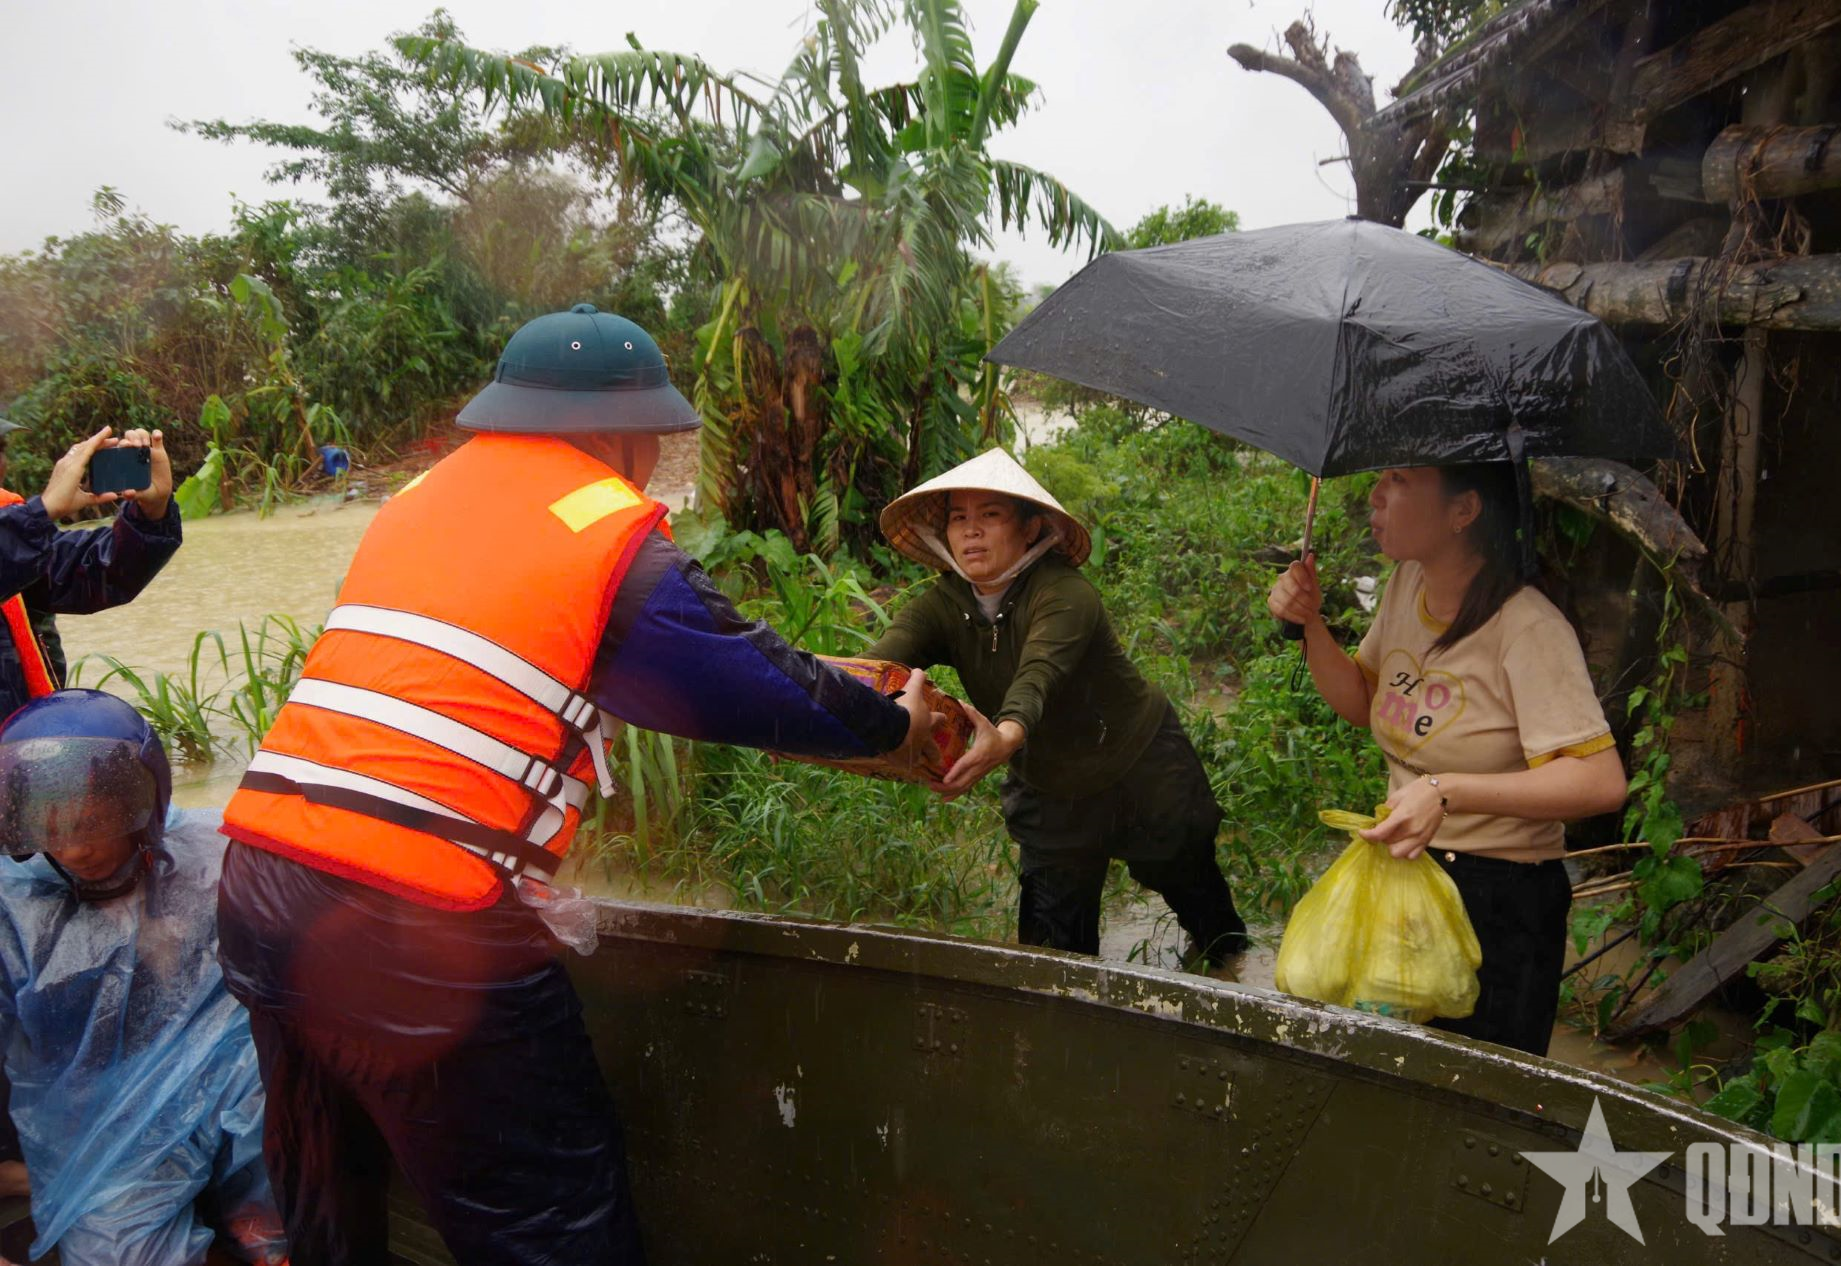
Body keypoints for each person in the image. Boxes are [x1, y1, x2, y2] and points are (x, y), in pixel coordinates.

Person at [214, 304, 943, 1265]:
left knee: (326, 1181)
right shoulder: (604, 531)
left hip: (260, 883)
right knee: (548, 1217)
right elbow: (745, 683)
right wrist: (897, 725)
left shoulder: (420, 503)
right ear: (615, 433)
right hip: (411, 927)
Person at [1267, 462, 1628, 1057]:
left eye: (1401, 480)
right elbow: (1363, 698)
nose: (1377, 494)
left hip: (1502, 900)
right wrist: (1309, 627)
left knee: (1482, 1097)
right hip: (1411, 876)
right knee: (1400, 1079)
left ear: (1464, 512)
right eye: (1381, 477)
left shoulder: (1528, 627)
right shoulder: (1409, 583)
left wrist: (1445, 790)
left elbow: (1600, 781)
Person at [866, 448, 1248, 964]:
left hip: (1141, 767)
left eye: (990, 516)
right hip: (1049, 783)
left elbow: (1037, 675)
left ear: (1030, 530)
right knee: (1052, 961)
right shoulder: (942, 604)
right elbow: (874, 666)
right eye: (959, 518)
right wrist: (811, 718)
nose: (971, 531)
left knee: (1210, 924)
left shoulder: (1066, 593)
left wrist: (1004, 736)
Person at [0, 690, 286, 1266]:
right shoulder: (14, 903)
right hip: (106, 1123)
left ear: (144, 803)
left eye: (92, 823)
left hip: (237, 1085)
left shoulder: (215, 855)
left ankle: (258, 1220)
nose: (76, 849)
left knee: (280, 1150)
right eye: (51, 828)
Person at [0, 414, 181, 715]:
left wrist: (151, 512)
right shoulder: (23, 526)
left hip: (23, 747)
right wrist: (40, 513)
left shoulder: (14, 522)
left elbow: (97, 572)